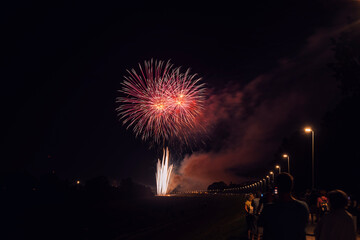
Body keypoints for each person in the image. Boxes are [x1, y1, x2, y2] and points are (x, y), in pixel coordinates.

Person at [258, 173, 309, 240]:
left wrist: (269, 202)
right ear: (291, 186)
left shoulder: (269, 209)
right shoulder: (302, 206)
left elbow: (260, 223)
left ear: (277, 187)